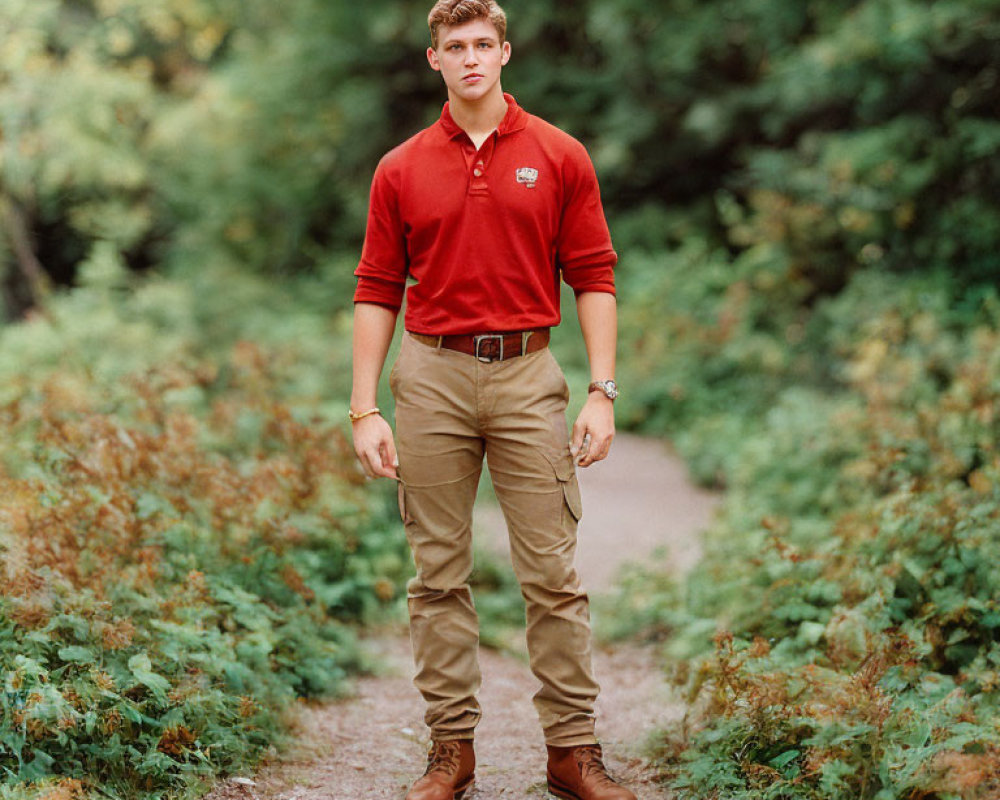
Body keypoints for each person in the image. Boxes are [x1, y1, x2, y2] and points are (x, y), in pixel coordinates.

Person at [349, 2, 636, 798]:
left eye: (483, 45)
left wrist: (600, 392)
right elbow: (377, 289)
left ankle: (572, 752)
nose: (471, 58)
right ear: (433, 60)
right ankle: (451, 752)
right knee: (436, 575)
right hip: (431, 375)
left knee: (552, 574)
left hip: (526, 377)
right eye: (455, 47)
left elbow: (595, 275)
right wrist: (364, 406)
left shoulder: (558, 154)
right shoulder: (400, 167)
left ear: (505, 53)